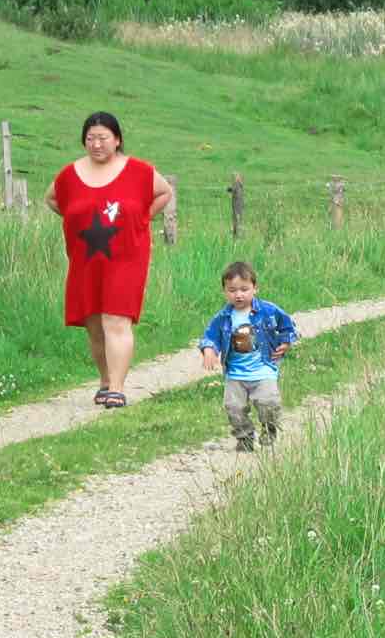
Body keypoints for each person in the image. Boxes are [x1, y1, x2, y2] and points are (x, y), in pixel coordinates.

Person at [45, 111, 174, 409]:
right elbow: (52, 199)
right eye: (90, 139)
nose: (96, 144)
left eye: (103, 138)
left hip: (127, 256)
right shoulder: (70, 174)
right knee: (93, 322)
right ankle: (105, 380)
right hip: (85, 258)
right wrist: (76, 220)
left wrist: (142, 219)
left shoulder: (139, 171)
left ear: (117, 140)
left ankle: (117, 387)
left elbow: (164, 192)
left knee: (115, 318)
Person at [197, 261, 299, 452]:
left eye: (244, 289)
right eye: (232, 290)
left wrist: (285, 342)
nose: (239, 294)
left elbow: (288, 325)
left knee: (268, 402)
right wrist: (209, 350)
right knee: (234, 408)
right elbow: (210, 336)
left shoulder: (268, 310)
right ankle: (245, 438)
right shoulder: (223, 317)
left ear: (255, 288)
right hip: (235, 374)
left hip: (264, 369)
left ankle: (269, 429)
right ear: (224, 292)